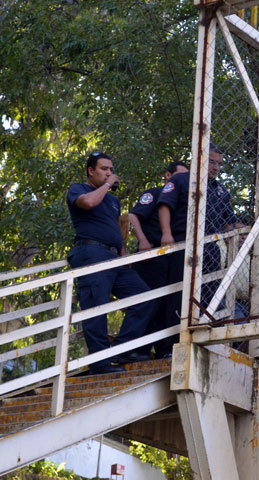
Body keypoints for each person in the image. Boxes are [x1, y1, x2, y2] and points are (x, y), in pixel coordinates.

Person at [66, 152, 152, 374]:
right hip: (91, 253)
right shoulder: (78, 189)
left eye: (111, 170)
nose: (109, 173)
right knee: (96, 307)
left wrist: (123, 253)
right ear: (91, 171)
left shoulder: (113, 201)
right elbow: (88, 203)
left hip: (114, 257)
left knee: (144, 297)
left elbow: (116, 229)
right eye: (104, 169)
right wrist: (107, 185)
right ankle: (100, 364)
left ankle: (120, 350)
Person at [158, 145, 244, 320]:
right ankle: (174, 332)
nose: (216, 167)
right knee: (179, 292)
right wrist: (166, 233)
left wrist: (242, 233)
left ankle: (206, 322)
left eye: (219, 164)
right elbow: (165, 204)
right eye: (212, 162)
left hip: (210, 246)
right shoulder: (181, 179)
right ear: (199, 159)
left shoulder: (220, 190)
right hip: (183, 243)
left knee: (210, 291)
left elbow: (228, 223)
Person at [128, 161, 189, 358]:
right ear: (168, 176)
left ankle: (164, 348)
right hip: (151, 256)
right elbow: (132, 217)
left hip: (171, 259)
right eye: (180, 175)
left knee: (168, 304)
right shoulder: (154, 193)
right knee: (148, 302)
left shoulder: (185, 200)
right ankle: (137, 350)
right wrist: (142, 240)